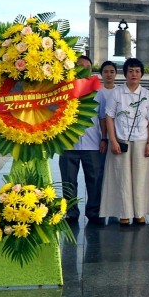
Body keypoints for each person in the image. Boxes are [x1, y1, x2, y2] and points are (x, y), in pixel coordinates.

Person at [100, 58, 149, 225]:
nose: (134, 74)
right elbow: (109, 118)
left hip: (142, 141)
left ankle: (139, 212)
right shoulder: (116, 93)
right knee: (122, 178)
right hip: (121, 141)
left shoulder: (146, 94)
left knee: (140, 178)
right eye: (131, 71)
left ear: (141, 74)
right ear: (125, 73)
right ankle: (124, 212)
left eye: (137, 71)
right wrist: (113, 140)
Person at [59, 55, 104, 225]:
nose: (84, 69)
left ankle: (94, 212)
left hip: (92, 144)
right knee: (68, 181)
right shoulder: (63, 89)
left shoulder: (98, 92)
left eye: (88, 67)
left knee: (93, 180)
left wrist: (104, 139)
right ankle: (71, 212)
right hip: (68, 143)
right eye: (80, 66)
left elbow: (102, 118)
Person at [97, 61, 117, 192]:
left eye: (112, 72)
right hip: (99, 138)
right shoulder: (96, 91)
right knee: (101, 172)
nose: (109, 75)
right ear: (101, 74)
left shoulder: (120, 91)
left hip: (117, 138)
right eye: (105, 72)